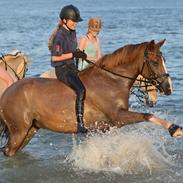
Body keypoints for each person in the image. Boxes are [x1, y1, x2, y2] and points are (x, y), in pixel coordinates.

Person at [49, 5, 88, 133]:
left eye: (77, 21)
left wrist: (79, 53)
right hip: (63, 70)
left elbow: (72, 50)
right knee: (81, 90)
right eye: (73, 21)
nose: (76, 23)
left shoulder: (72, 32)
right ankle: (80, 124)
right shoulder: (60, 35)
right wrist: (73, 55)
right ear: (64, 20)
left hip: (72, 67)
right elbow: (55, 58)